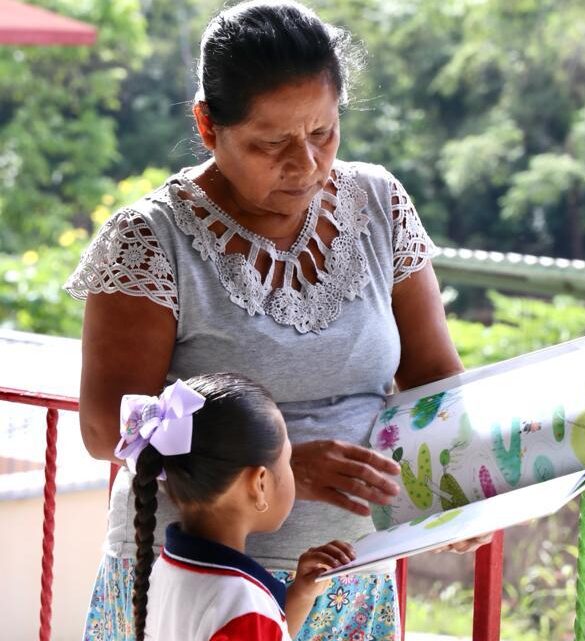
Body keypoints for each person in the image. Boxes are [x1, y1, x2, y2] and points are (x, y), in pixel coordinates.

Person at [65, 2, 490, 639]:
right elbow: (107, 429)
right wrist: (278, 460)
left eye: (323, 133)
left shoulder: (379, 203)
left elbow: (434, 377)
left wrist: (467, 488)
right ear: (208, 126)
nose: (306, 164)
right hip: (198, 590)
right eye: (271, 143)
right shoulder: (151, 240)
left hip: (350, 579)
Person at [120, 373, 354, 640]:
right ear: (259, 483)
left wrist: (301, 593)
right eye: (288, 461)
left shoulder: (169, 566)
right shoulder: (241, 601)